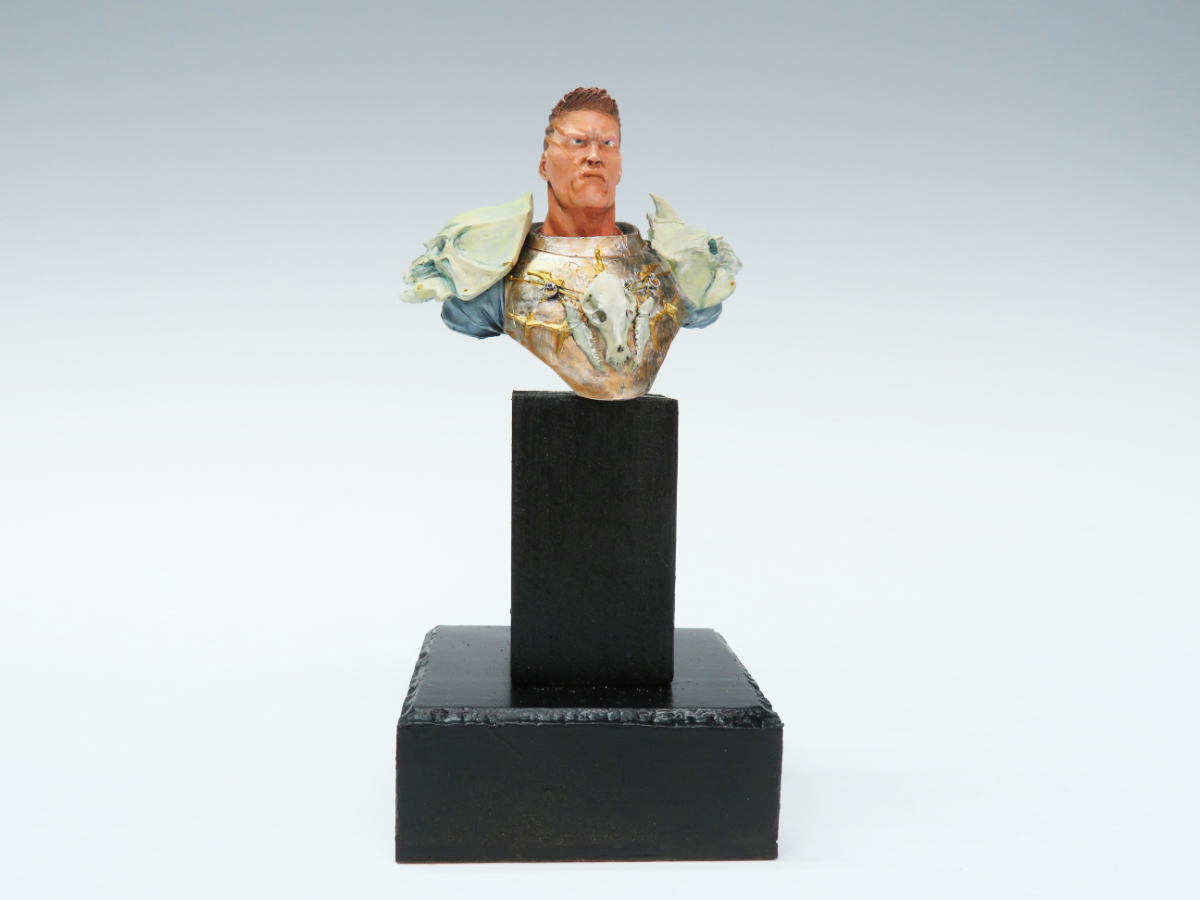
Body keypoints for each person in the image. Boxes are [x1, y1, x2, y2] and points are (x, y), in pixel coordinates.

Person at [402, 88, 740, 400]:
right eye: (577, 142)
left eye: (608, 144)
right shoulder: (492, 285)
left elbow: (702, 305)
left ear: (620, 167)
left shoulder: (679, 273)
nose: (594, 156)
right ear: (544, 165)